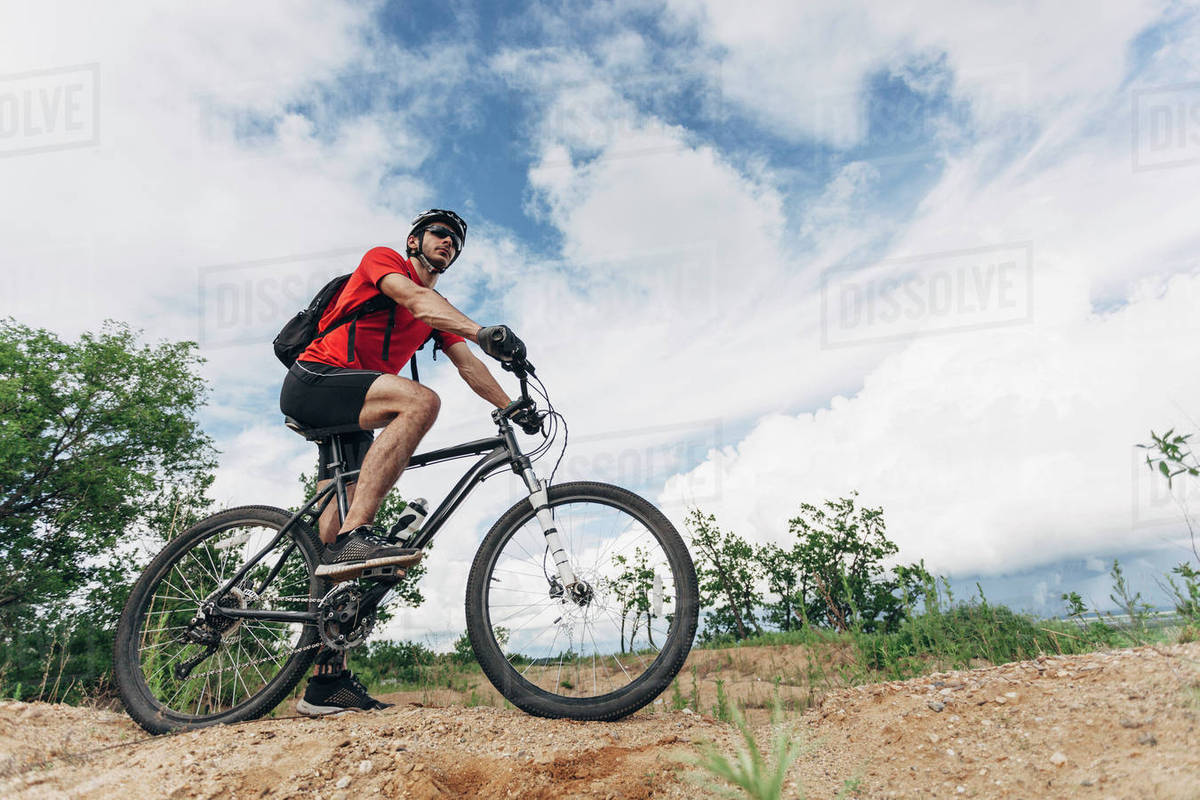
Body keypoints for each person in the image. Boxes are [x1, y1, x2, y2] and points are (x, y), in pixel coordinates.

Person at [279, 209, 538, 715]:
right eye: (441, 234)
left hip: (353, 411)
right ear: (415, 241)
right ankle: (358, 537)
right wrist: (486, 330)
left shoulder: (435, 316)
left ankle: (326, 681)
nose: (449, 244)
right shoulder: (384, 261)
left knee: (328, 533)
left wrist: (509, 405)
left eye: (456, 242)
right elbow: (417, 298)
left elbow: (467, 363)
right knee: (421, 401)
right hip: (315, 380)